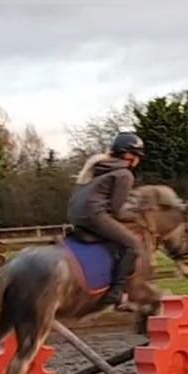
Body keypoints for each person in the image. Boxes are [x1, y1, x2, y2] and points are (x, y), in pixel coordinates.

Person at [67, 132, 146, 309]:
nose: (138, 161)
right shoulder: (124, 174)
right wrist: (136, 216)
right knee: (133, 245)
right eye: (138, 156)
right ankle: (116, 292)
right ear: (130, 156)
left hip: (78, 218)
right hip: (95, 216)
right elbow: (116, 210)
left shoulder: (99, 170)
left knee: (115, 242)